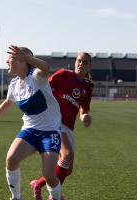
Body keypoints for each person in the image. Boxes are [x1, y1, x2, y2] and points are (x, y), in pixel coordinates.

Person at [0, 45, 62, 200]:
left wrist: (28, 57)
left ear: (23, 60)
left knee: (49, 175)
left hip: (49, 131)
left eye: (10, 58)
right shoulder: (14, 84)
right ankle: (16, 197)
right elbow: (7, 103)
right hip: (30, 130)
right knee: (11, 159)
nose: (6, 61)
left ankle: (57, 197)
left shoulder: (37, 77)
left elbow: (46, 67)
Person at [30, 52, 93, 200]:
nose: (81, 64)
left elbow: (84, 108)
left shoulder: (87, 87)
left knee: (67, 169)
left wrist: (85, 116)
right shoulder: (64, 75)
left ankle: (37, 184)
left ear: (89, 66)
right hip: (54, 122)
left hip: (68, 127)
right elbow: (45, 88)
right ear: (75, 62)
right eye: (79, 61)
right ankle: (54, 197)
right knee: (67, 154)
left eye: (85, 62)